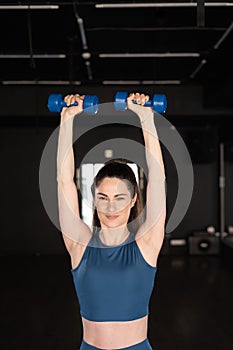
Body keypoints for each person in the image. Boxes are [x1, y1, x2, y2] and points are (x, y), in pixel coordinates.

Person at [56, 92, 167, 350]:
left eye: (119, 197)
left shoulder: (147, 243)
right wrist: (67, 119)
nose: (110, 206)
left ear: (132, 200)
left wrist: (146, 118)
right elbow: (63, 182)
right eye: (103, 197)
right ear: (94, 200)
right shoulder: (80, 244)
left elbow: (158, 180)